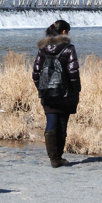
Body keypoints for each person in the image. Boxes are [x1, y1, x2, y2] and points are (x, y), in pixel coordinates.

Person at [32, 20, 81, 168]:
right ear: (64, 32)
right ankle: (58, 157)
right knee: (62, 124)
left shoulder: (42, 49)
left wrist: (41, 88)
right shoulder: (69, 48)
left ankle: (53, 158)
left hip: (47, 93)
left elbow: (36, 73)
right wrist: (76, 90)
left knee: (51, 122)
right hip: (65, 93)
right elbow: (73, 72)